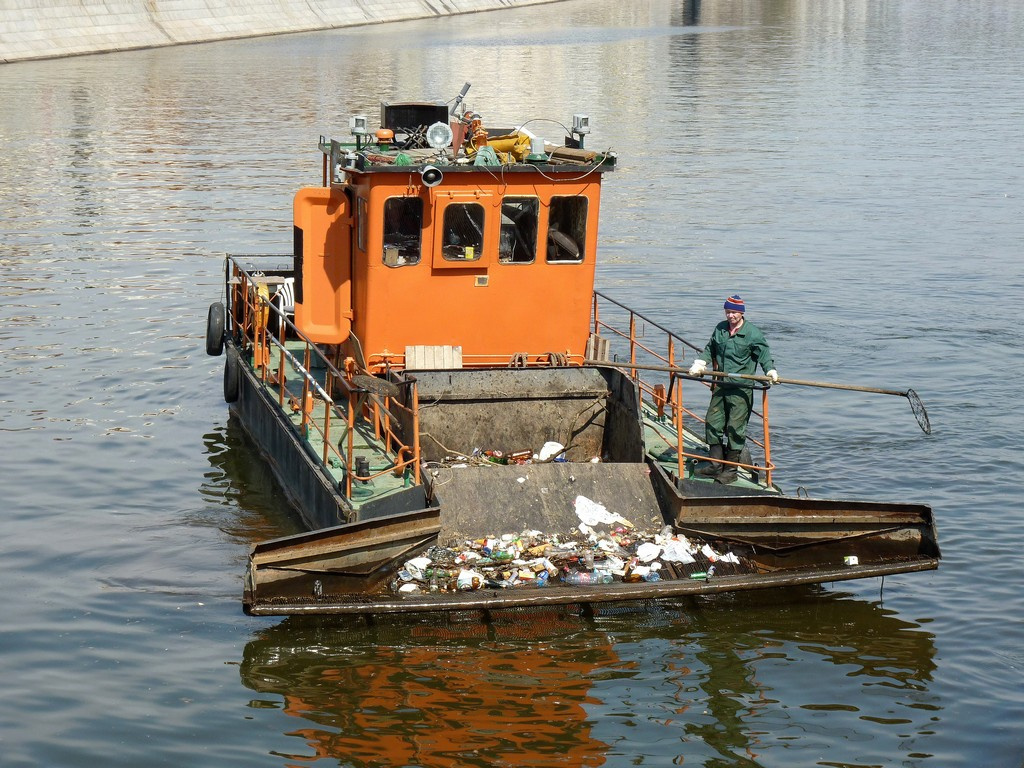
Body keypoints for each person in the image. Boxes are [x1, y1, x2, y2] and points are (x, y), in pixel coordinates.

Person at [688, 294, 778, 483]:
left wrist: (770, 370)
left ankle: (730, 471)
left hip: (740, 389)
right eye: (728, 312)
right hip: (720, 386)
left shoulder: (752, 333)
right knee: (712, 422)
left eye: (734, 312)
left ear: (742, 313)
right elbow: (710, 347)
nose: (731, 316)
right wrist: (700, 363)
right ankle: (715, 465)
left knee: (735, 428)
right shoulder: (720, 329)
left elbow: (764, 354)